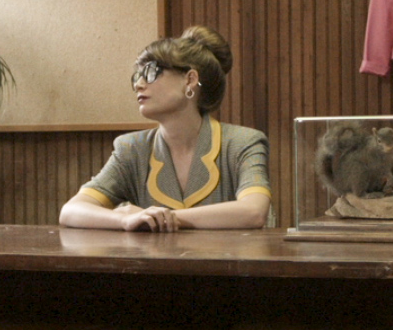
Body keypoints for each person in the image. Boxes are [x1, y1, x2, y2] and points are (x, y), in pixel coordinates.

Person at [59, 26, 272, 232]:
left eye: (151, 73)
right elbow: (71, 211)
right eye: (137, 77)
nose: (139, 85)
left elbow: (254, 211)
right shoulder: (132, 148)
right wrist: (124, 219)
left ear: (190, 80)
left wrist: (162, 217)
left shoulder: (242, 142)